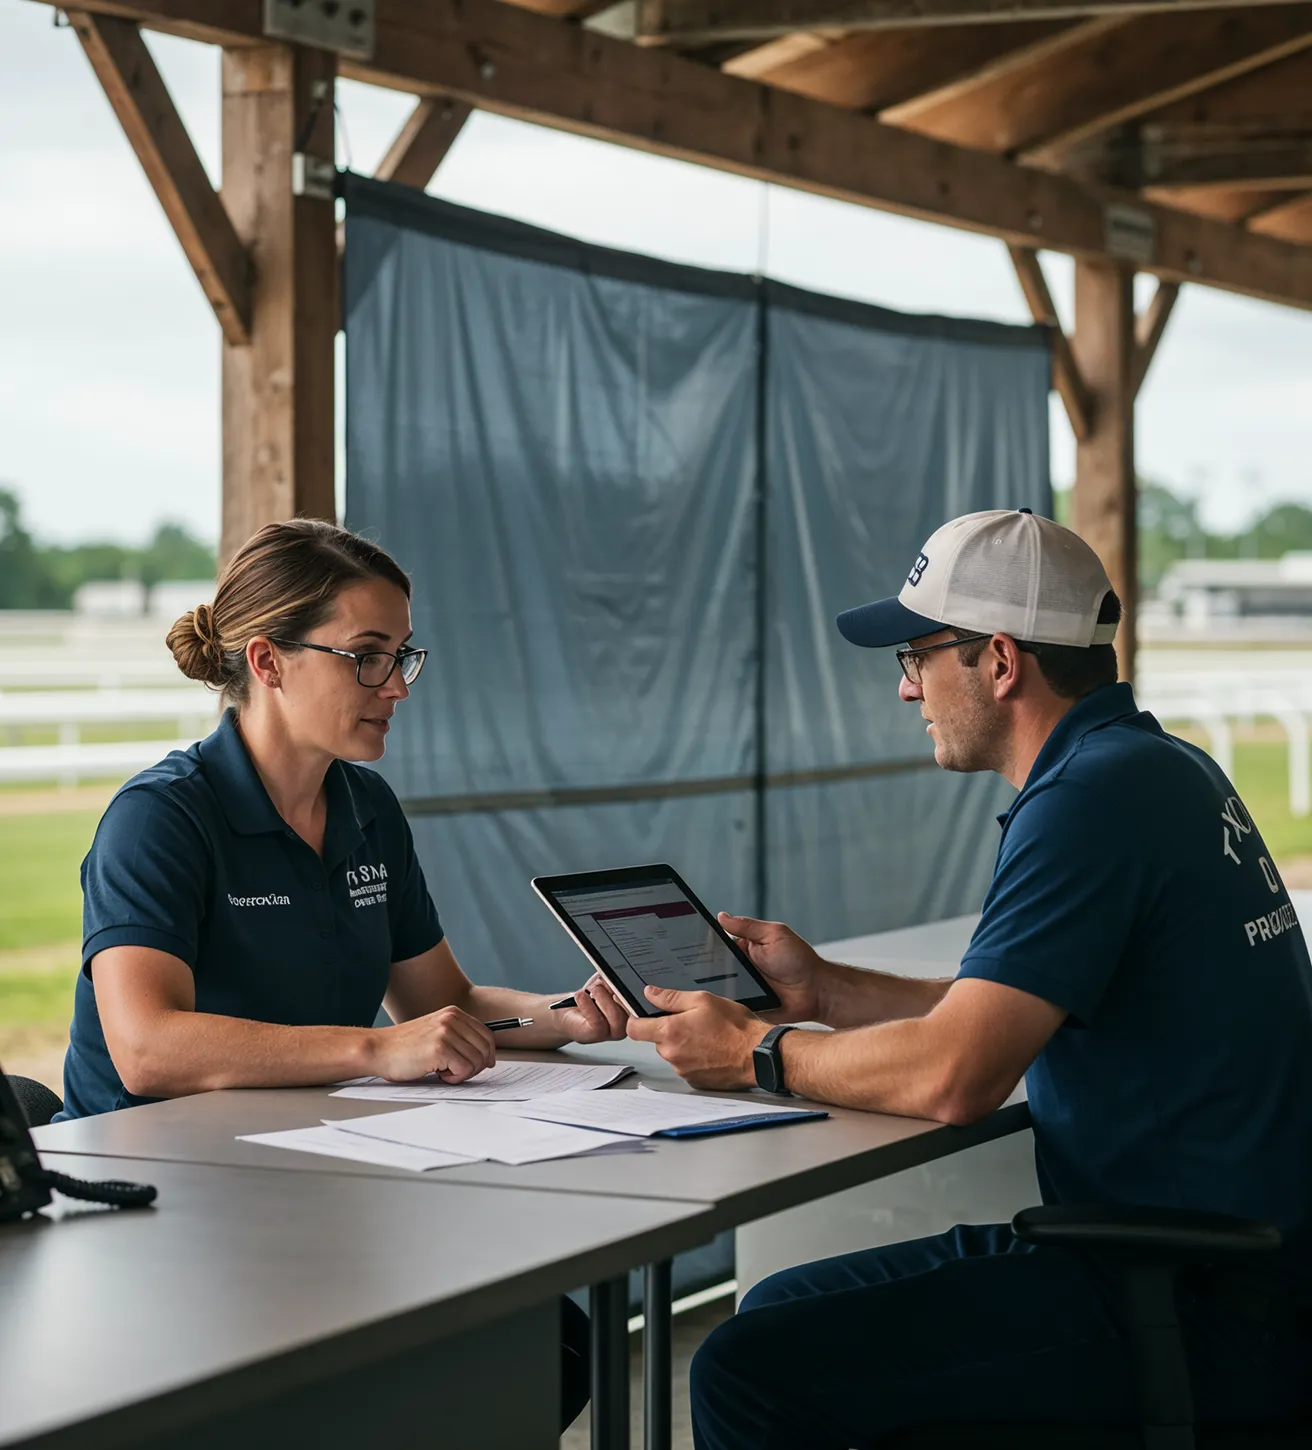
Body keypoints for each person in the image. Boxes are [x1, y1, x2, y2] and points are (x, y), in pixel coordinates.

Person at [625, 509, 1312, 1448]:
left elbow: (957, 1076)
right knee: (776, 1304)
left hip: (1191, 1295)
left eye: (915, 657)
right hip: (1207, 1258)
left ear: (997, 660)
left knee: (747, 1370)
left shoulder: (1083, 802)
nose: (907, 690)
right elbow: (1015, 1005)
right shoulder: (1157, 767)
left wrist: (757, 1053)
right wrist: (823, 991)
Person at [57, 518, 628, 1427]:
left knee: (552, 1342)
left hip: (311, 1174)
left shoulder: (365, 805)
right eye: (367, 657)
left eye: (404, 657)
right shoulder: (160, 819)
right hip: (167, 1196)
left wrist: (565, 1015)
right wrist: (377, 1049)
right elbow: (147, 1050)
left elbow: (442, 1004)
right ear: (269, 661)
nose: (395, 686)